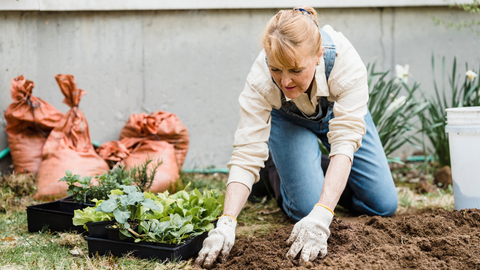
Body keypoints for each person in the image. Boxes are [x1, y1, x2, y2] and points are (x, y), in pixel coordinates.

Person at [195, 6, 398, 268]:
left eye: (295, 69)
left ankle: (304, 168)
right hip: (288, 121)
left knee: (383, 204)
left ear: (318, 55)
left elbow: (345, 141)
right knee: (305, 210)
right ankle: (274, 171)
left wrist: (324, 213)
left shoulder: (345, 63)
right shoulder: (260, 80)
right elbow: (246, 153)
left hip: (340, 117)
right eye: (276, 69)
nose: (285, 81)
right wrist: (226, 223)